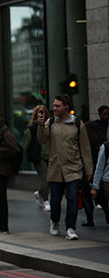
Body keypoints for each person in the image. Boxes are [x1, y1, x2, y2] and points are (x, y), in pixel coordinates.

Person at [38, 95, 93, 239]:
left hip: (74, 168)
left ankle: (70, 228)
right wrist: (40, 125)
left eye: (57, 106)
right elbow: (41, 140)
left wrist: (89, 169)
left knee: (73, 198)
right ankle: (54, 221)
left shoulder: (77, 124)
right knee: (55, 200)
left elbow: (85, 148)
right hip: (56, 168)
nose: (54, 108)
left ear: (66, 107)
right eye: (54, 105)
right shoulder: (50, 123)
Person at [24, 105, 51, 211]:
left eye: (43, 112)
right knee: (46, 178)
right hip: (38, 157)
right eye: (39, 113)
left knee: (51, 179)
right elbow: (26, 144)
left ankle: (40, 193)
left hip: (50, 156)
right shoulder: (32, 128)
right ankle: (45, 200)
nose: (41, 115)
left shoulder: (50, 126)